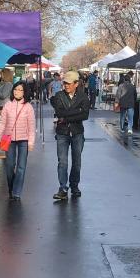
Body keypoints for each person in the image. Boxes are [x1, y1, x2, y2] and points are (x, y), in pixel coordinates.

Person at [50, 70, 89, 201]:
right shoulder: (59, 95)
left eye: (69, 83)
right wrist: (76, 111)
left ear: (76, 84)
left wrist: (66, 117)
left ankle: (74, 186)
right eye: (65, 83)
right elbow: (59, 112)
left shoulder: (83, 96)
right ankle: (63, 188)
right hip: (62, 133)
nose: (66, 85)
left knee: (77, 162)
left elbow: (85, 115)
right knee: (63, 162)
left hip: (77, 132)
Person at [0, 81, 36, 201]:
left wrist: (31, 142)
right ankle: (11, 188)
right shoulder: (8, 105)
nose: (17, 92)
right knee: (10, 165)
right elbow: (2, 123)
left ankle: (16, 192)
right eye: (15, 89)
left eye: (20, 90)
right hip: (9, 139)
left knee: (21, 167)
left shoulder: (28, 107)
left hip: (24, 140)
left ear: (25, 92)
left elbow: (32, 127)